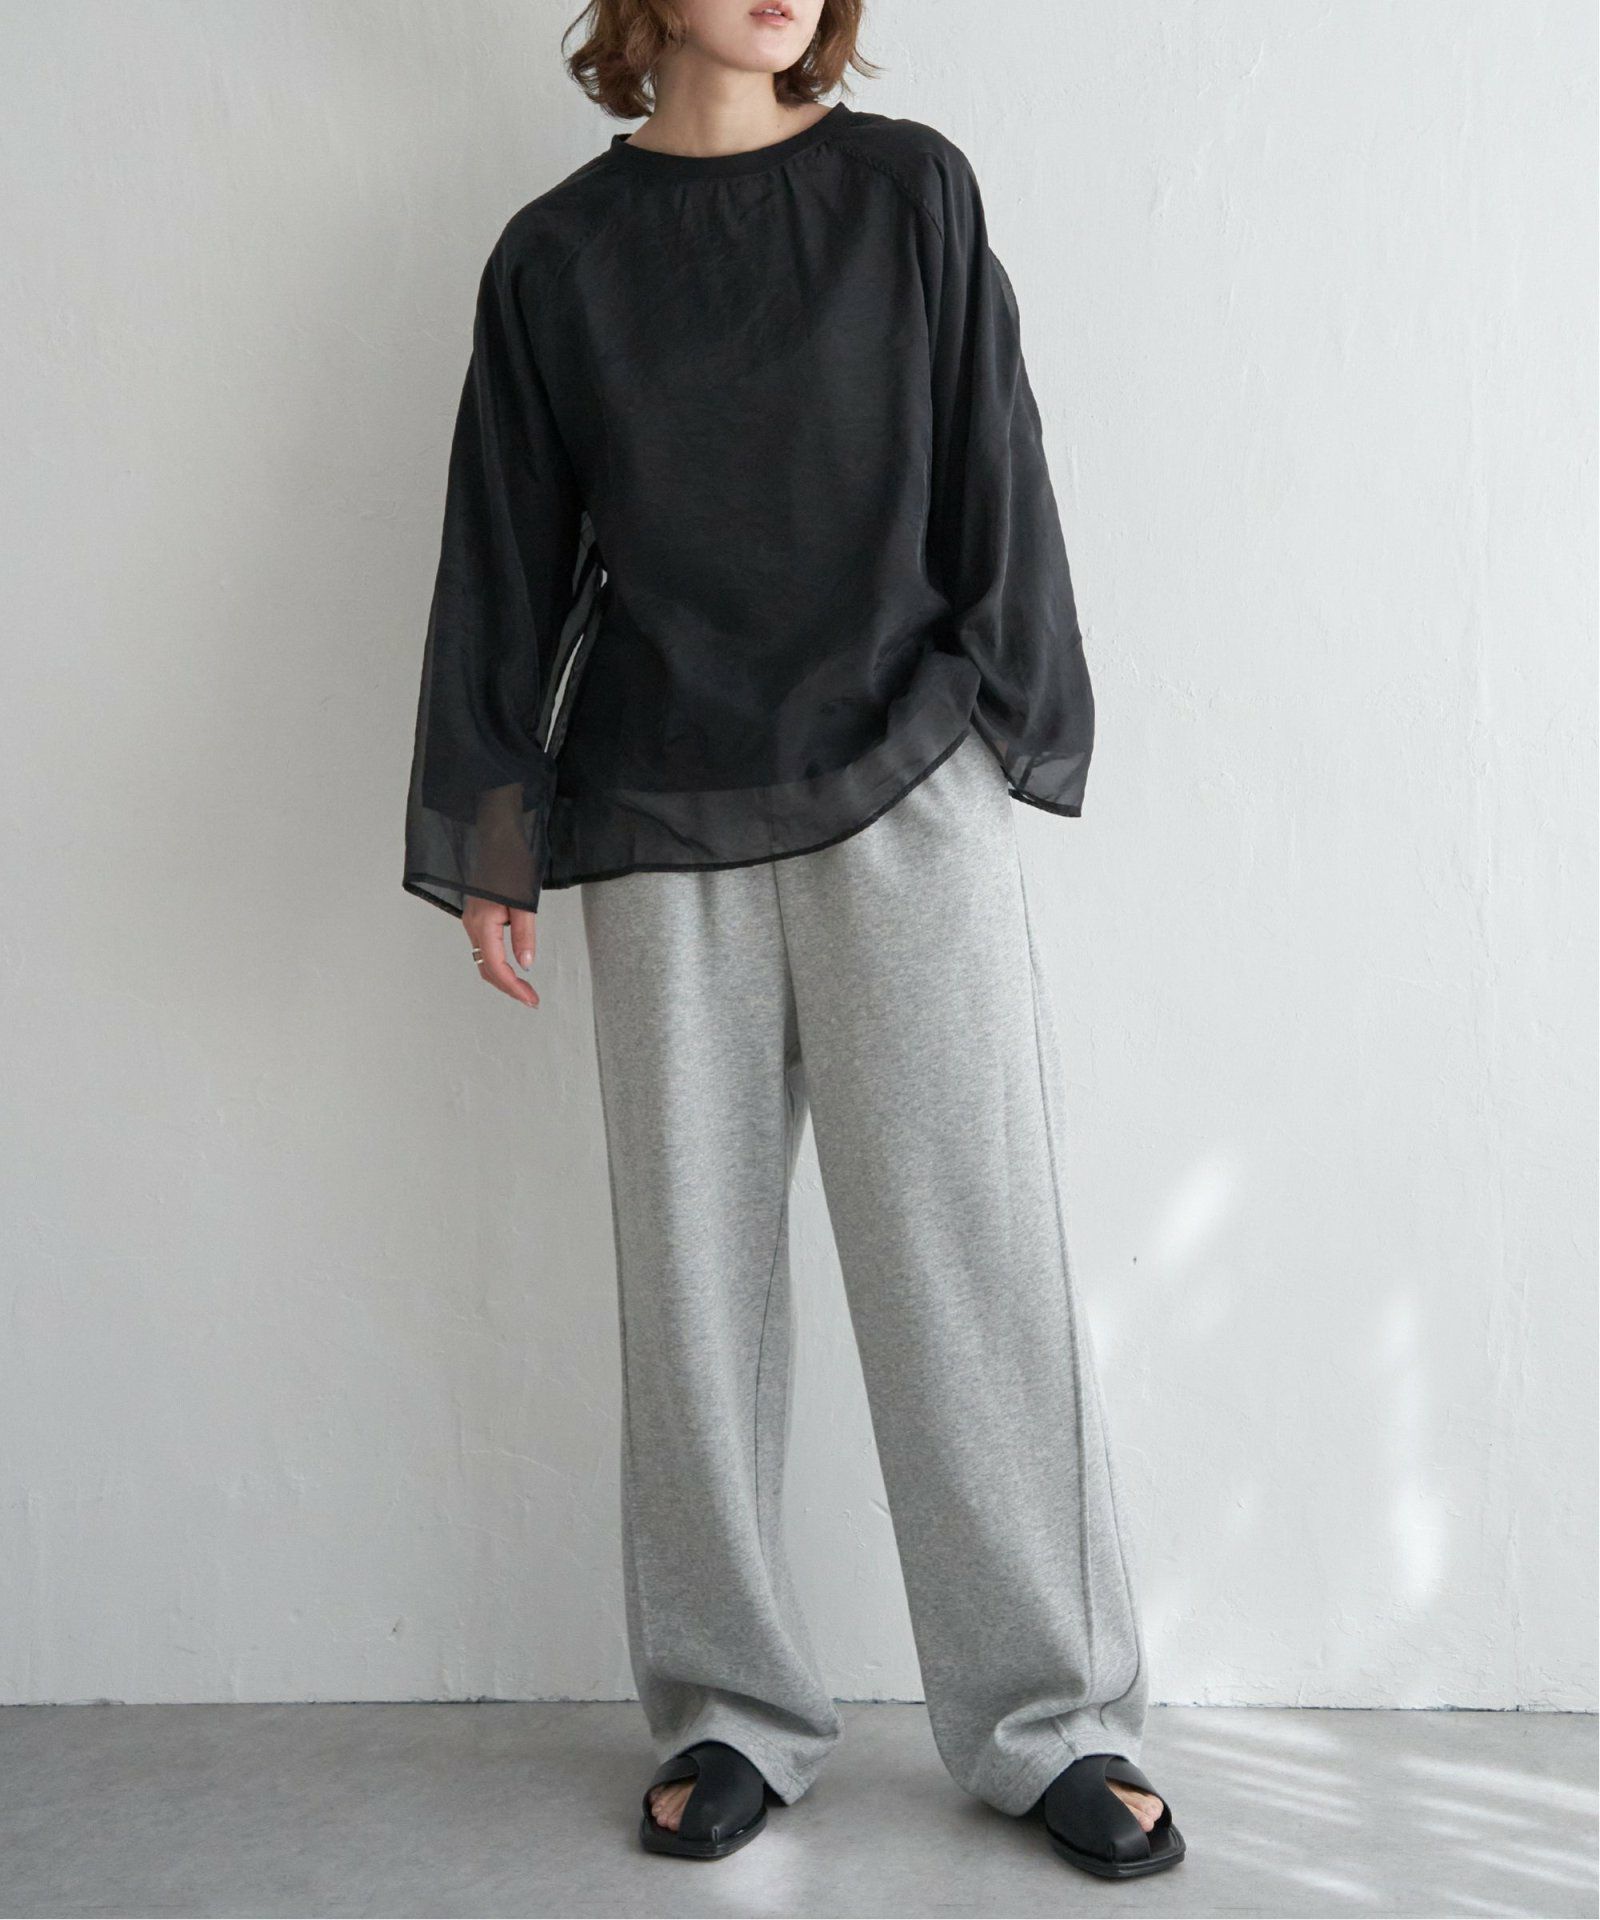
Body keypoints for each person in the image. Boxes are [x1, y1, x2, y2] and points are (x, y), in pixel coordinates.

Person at [402, 0, 1184, 1881]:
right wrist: (493, 831)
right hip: (661, 806)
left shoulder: (909, 193)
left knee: (971, 1258)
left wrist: (994, 732)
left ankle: (1052, 1716)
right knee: (694, 1283)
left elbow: (995, 463)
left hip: (907, 779)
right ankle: (731, 1707)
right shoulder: (556, 259)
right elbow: (506, 553)